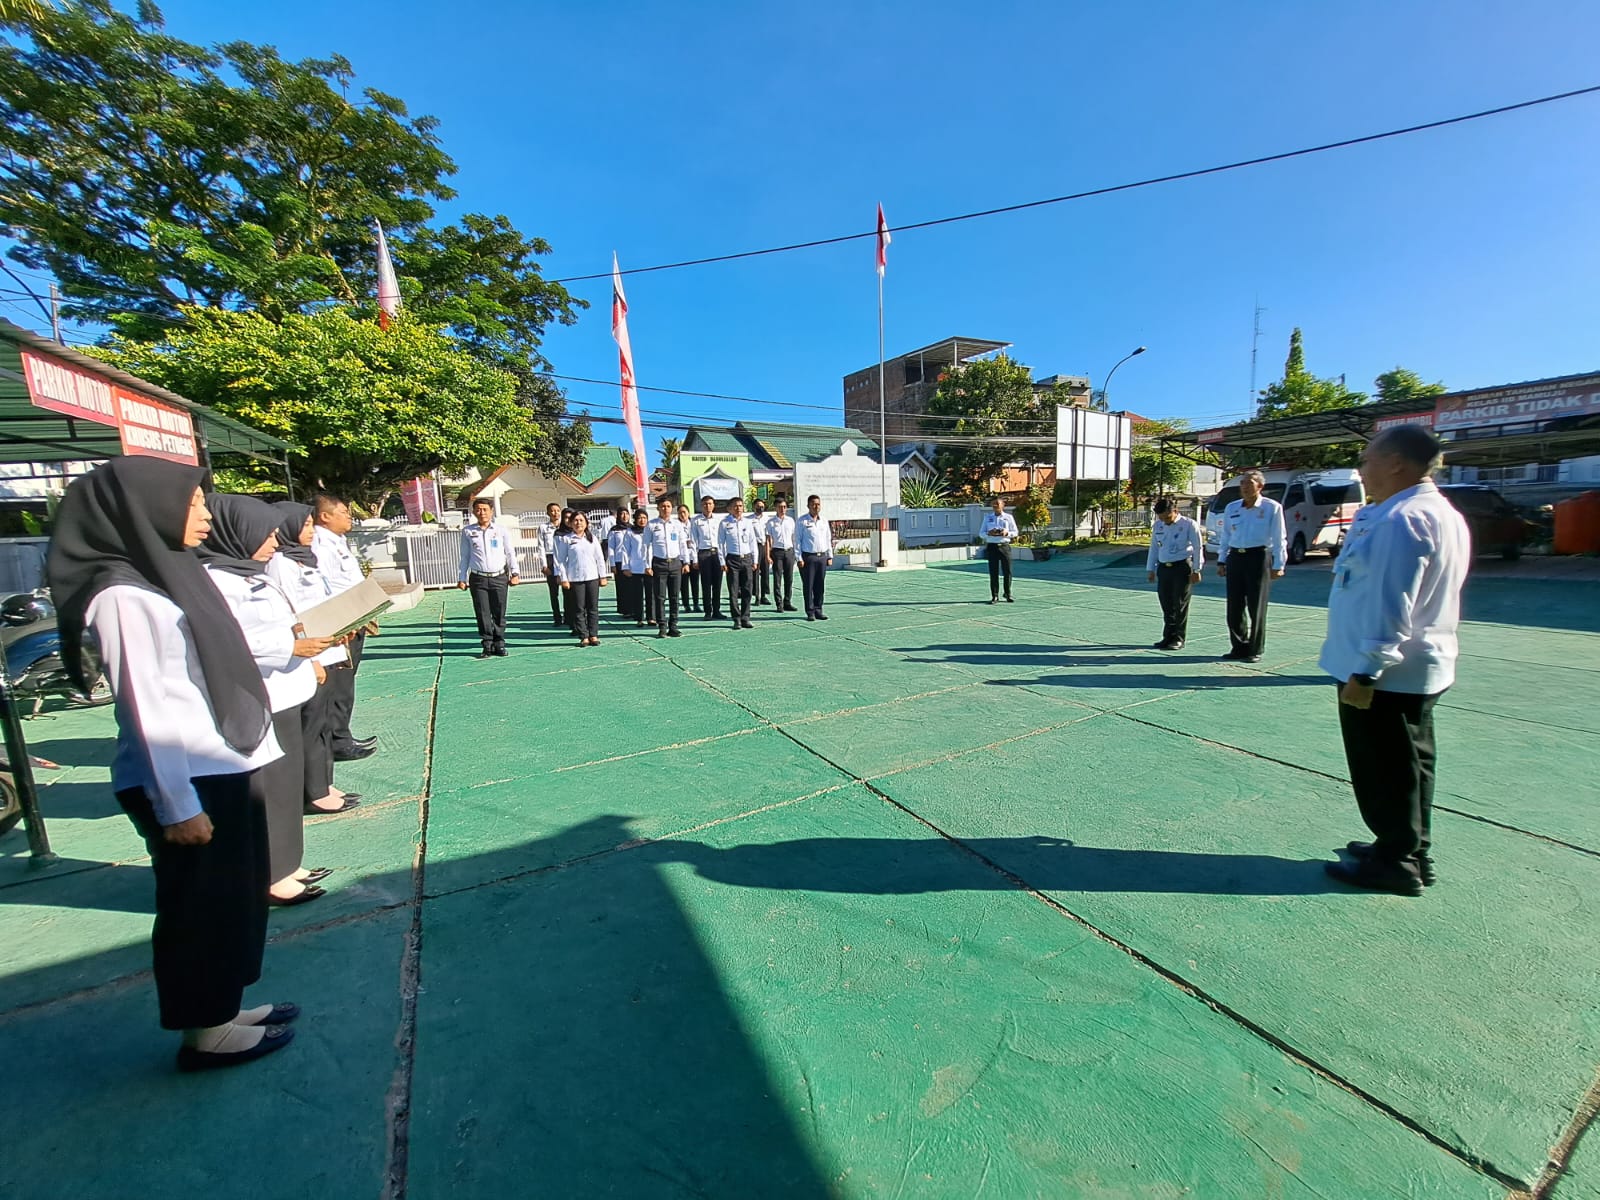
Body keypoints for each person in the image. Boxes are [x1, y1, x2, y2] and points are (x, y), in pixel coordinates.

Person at [48, 458, 295, 1071]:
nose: (206, 515)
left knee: (232, 897)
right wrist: (176, 803)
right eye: (193, 504)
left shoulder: (161, 574)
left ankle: (224, 1008)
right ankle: (204, 1032)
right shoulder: (123, 595)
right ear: (145, 510)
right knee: (199, 906)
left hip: (216, 763)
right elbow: (146, 703)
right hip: (183, 776)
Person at [1320, 426, 1469, 897]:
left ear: (1397, 463)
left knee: (1384, 769)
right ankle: (1407, 848)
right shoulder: (1437, 512)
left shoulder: (1400, 520)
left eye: (1368, 460)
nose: (1362, 469)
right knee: (1410, 766)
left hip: (1384, 673)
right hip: (1415, 668)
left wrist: (1366, 671)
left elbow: (1390, 604)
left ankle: (1396, 862)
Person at [199, 495, 336, 908]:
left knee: (286, 783)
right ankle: (270, 874)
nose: (274, 542)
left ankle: (288, 863)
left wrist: (308, 649)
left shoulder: (253, 573)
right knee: (269, 789)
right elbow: (228, 640)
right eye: (265, 534)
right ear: (237, 534)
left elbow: (287, 619)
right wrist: (291, 647)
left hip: (288, 690)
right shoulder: (215, 581)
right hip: (260, 697)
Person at [266, 503, 357, 819]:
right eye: (305, 526)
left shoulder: (304, 558)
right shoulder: (280, 564)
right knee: (311, 726)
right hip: (309, 654)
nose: (310, 532)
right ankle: (313, 792)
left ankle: (324, 784)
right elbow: (292, 614)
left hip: (327, 646)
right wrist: (312, 661)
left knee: (321, 723)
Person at [312, 494, 378, 762]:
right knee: (338, 683)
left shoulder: (336, 542)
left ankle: (343, 733)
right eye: (342, 512)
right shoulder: (320, 544)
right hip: (341, 623)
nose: (348, 516)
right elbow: (325, 588)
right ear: (325, 515)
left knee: (346, 683)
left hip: (353, 619)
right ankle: (338, 740)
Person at [1215, 469, 1286, 663]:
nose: (1244, 487)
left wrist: (1279, 564)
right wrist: (1222, 560)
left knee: (1256, 606)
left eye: (1249, 483)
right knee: (1234, 606)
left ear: (1260, 486)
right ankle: (1239, 646)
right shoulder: (1232, 508)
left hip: (1259, 557)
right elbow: (1226, 536)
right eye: (1242, 483)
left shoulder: (1272, 508)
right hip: (1236, 557)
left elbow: (1280, 538)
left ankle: (1255, 648)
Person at [457, 498, 520, 658]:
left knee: (499, 611)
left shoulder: (500, 530)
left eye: (485, 509)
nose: (482, 513)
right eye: (478, 509)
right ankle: (487, 644)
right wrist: (462, 577)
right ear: (473, 512)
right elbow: (464, 556)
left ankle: (499, 643)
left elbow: (510, 552)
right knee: (483, 612)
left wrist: (515, 573)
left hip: (499, 576)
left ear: (491, 511)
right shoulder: (468, 532)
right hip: (478, 578)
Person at [1145, 497, 1204, 650]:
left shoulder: (1188, 525)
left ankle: (1178, 638)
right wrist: (1150, 569)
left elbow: (1198, 548)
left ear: (1175, 511)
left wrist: (1197, 569)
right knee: (1166, 603)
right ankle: (1168, 636)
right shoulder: (1158, 526)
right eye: (1161, 518)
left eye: (1167, 517)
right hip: (1164, 568)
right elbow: (1154, 548)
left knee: (1180, 604)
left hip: (1181, 567)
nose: (1165, 521)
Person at [556, 511, 612, 647]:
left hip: (592, 577)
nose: (578, 523)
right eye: (575, 520)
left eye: (581, 520)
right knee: (579, 608)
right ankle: (584, 635)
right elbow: (560, 561)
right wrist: (564, 578)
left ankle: (594, 634)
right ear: (571, 523)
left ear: (586, 523)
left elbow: (599, 558)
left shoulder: (592, 538)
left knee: (593, 608)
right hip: (575, 578)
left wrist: (602, 576)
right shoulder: (567, 539)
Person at [644, 497, 688, 638]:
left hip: (675, 563)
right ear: (658, 508)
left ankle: (673, 625)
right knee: (660, 597)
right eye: (663, 506)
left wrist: (686, 562)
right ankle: (662, 626)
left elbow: (682, 544)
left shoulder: (677, 525)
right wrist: (647, 565)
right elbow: (647, 546)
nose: (666, 509)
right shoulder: (651, 525)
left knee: (675, 597)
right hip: (659, 564)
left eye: (668, 506)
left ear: (672, 508)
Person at [719, 496, 759, 630]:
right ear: (729, 508)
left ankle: (745, 617)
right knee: (734, 591)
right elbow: (720, 544)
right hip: (732, 560)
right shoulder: (724, 523)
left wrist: (755, 560)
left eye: (741, 506)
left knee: (748, 590)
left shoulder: (748, 522)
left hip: (746, 558)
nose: (738, 508)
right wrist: (722, 561)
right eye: (735, 506)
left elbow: (753, 542)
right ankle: (736, 619)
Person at [797, 494, 834, 620]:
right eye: (813, 504)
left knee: (820, 585)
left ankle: (819, 609)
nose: (816, 506)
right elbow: (797, 541)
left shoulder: (823, 521)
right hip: (809, 557)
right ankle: (810, 611)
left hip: (822, 557)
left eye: (818, 504)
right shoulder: (802, 521)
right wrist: (799, 558)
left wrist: (829, 556)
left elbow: (828, 539)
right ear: (808, 506)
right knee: (809, 586)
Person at [980, 496, 1019, 604]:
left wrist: (1007, 533)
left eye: (997, 503)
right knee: (994, 572)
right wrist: (989, 533)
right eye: (993, 504)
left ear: (1003, 505)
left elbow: (1015, 532)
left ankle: (1007, 593)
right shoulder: (987, 518)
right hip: (992, 546)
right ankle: (995, 595)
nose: (995, 506)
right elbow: (981, 533)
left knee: (1008, 571)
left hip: (1004, 546)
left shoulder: (1008, 517)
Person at [690, 495, 723, 619]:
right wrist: (694, 558)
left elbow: (722, 540)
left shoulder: (719, 520)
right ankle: (708, 611)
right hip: (703, 554)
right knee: (706, 584)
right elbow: (693, 540)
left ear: (713, 505)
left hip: (717, 553)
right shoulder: (696, 521)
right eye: (705, 504)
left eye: (710, 503)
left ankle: (717, 611)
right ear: (701, 506)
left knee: (717, 584)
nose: (707, 506)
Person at [621, 508, 651, 626]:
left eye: (644, 518)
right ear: (635, 519)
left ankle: (651, 617)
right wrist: (625, 567)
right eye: (639, 518)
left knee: (651, 594)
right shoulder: (630, 532)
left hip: (650, 568)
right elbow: (625, 550)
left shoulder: (651, 531)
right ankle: (639, 617)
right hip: (636, 568)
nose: (642, 520)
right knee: (637, 594)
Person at [766, 498, 798, 612]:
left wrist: (796, 553)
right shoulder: (771, 522)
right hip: (777, 552)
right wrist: (768, 555)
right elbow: (769, 540)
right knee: (777, 579)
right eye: (780, 507)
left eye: (784, 507)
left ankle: (787, 602)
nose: (783, 509)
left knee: (789, 579)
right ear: (776, 508)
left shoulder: (791, 521)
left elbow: (794, 538)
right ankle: (779, 604)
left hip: (789, 551)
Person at [536, 502, 564, 626]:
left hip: (563, 559)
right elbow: (540, 547)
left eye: (557, 510)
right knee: (554, 592)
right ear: (548, 513)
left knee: (568, 590)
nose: (555, 513)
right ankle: (557, 617)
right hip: (550, 558)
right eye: (552, 511)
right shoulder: (543, 528)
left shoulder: (565, 527)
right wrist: (544, 565)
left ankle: (569, 616)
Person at [608, 505, 633, 617]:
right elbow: (611, 548)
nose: (624, 516)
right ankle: (624, 610)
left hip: (631, 561)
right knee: (622, 586)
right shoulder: (614, 530)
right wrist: (612, 564)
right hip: (618, 561)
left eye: (626, 514)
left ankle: (634, 608)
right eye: (622, 514)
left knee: (632, 586)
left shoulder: (633, 528)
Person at [677, 503, 702, 611]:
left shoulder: (694, 524)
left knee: (695, 581)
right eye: (680, 513)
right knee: (684, 583)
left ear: (688, 513)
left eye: (684, 512)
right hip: (681, 558)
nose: (682, 515)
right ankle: (686, 604)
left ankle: (696, 603)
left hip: (694, 556)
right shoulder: (675, 525)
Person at [750, 498, 772, 605]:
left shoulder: (767, 519)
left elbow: (769, 536)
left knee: (765, 572)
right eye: (758, 506)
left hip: (765, 546)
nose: (760, 508)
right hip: (755, 547)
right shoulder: (749, 520)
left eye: (762, 506)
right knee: (755, 572)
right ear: (754, 507)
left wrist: (769, 551)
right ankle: (756, 596)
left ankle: (763, 595)